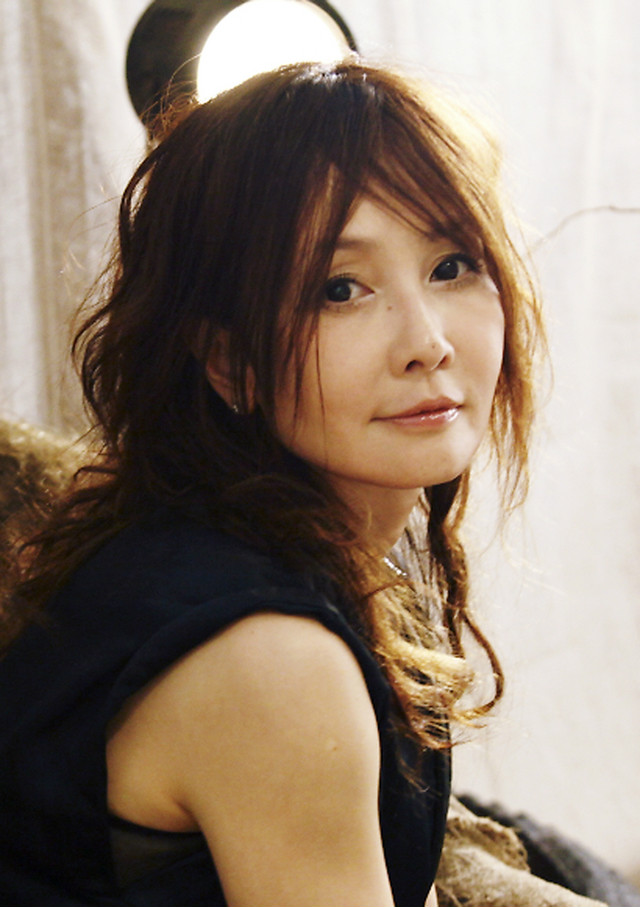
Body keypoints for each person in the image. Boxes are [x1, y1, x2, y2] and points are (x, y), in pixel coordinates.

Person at [0, 59, 543, 906]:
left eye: (452, 265)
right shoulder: (267, 655)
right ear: (228, 360)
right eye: (340, 289)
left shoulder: (247, 551)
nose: (428, 342)